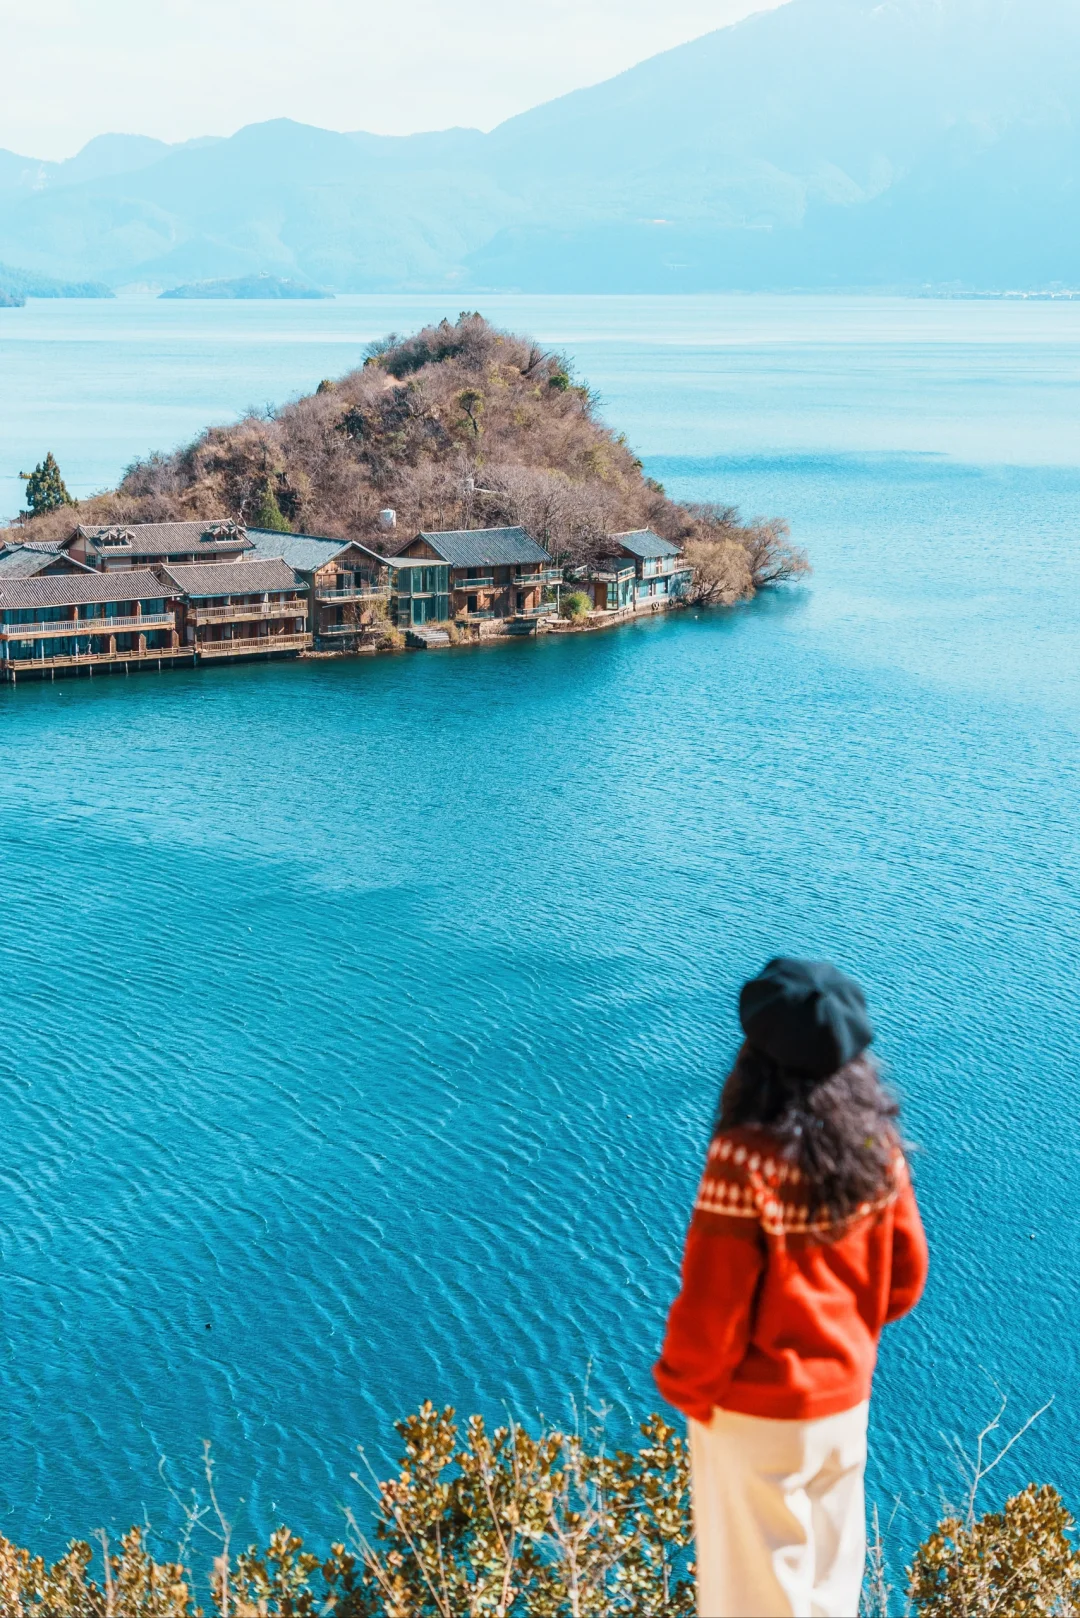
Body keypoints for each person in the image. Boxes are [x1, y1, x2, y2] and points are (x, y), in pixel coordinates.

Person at [655, 958, 928, 1618]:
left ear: (757, 1054)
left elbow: (714, 1307)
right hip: (844, 1407)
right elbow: (906, 1277)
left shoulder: (745, 1159)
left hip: (755, 1415)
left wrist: (685, 1387)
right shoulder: (877, 1148)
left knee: (754, 1599)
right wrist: (842, 1341)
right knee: (829, 1592)